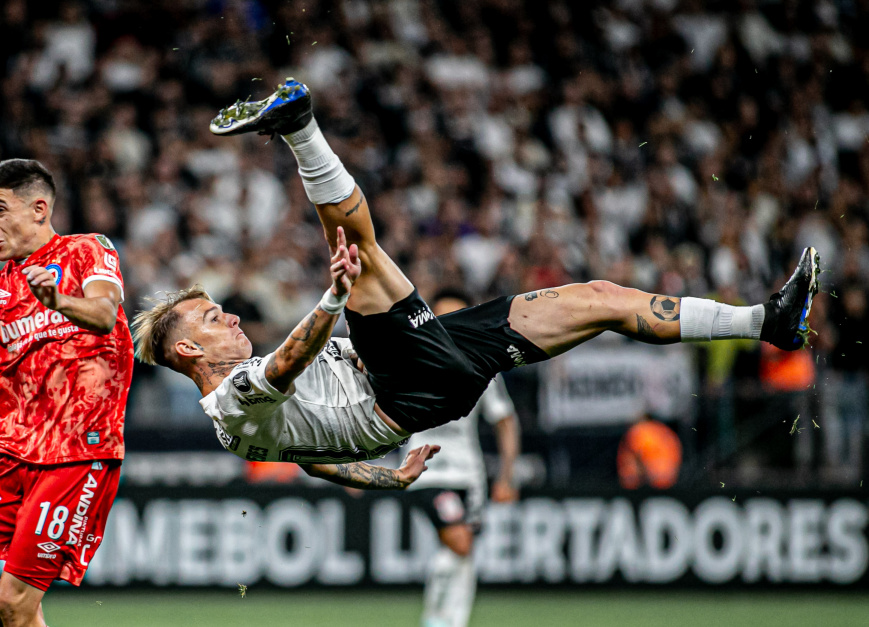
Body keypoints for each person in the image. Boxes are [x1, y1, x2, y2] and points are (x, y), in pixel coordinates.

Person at [131, 78, 818, 491]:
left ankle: (767, 322)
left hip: (420, 370)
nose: (222, 313)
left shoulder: (255, 428)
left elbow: (311, 459)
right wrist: (333, 299)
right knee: (358, 258)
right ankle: (300, 127)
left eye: (212, 305)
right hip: (397, 390)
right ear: (188, 354)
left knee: (601, 299)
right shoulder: (229, 403)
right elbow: (287, 362)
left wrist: (384, 477)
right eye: (206, 317)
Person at [0, 159, 132, 627]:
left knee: (14, 604)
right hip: (12, 454)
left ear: (39, 209)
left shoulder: (87, 250)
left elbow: (104, 314)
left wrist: (59, 301)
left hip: (78, 452)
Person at [403, 288, 521, 627]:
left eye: (458, 316)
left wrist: (506, 477)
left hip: (470, 475)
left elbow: (506, 420)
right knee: (459, 541)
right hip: (426, 471)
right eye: (443, 317)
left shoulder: (483, 364)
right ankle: (436, 620)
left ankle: (450, 621)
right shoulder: (410, 358)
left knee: (463, 553)